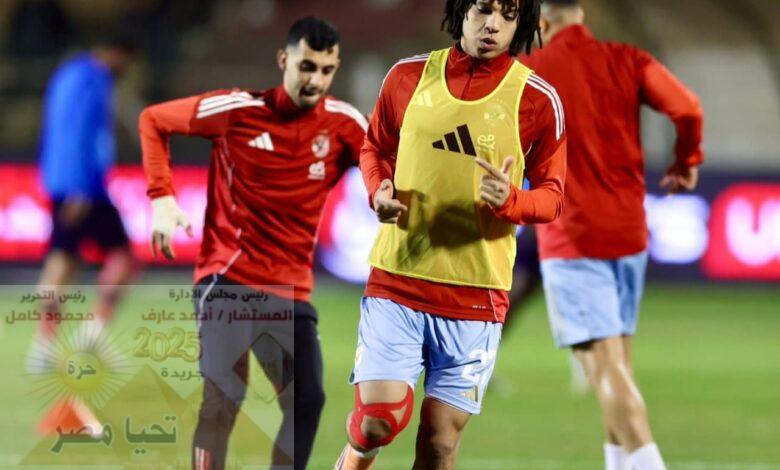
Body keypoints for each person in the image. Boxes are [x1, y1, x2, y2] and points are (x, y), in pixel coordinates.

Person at [335, 1, 567, 468]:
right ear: (462, 10)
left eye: (508, 15)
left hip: (477, 295)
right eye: (483, 9)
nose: (493, 24)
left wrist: (511, 200)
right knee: (376, 422)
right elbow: (375, 146)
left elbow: (553, 196)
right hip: (398, 280)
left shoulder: (538, 99)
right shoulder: (407, 76)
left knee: (440, 441)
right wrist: (378, 189)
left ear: (522, 24)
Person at [139, 17, 367, 470]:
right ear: (284, 60)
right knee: (225, 395)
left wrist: (389, 195)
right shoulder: (237, 110)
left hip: (289, 290)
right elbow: (154, 120)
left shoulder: (344, 125)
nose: (315, 80)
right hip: (228, 278)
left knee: (306, 400)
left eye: (326, 70)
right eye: (306, 67)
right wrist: (162, 198)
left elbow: (385, 166)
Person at [522, 1, 704, 469]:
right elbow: (687, 107)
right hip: (628, 234)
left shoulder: (529, 72)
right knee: (618, 366)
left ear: (542, 22)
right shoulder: (627, 58)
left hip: (573, 237)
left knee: (604, 371)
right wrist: (686, 161)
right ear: (581, 14)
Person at [29, 32, 140, 373]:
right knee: (112, 258)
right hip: (82, 187)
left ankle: (51, 345)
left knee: (66, 258)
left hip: (65, 181)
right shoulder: (92, 80)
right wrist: (79, 187)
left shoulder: (68, 74)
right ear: (117, 53)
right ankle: (82, 338)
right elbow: (78, 132)